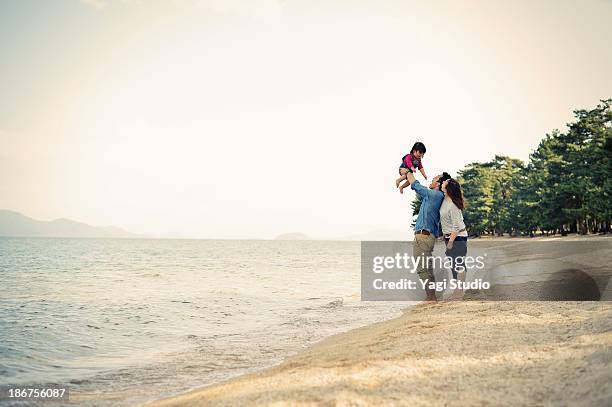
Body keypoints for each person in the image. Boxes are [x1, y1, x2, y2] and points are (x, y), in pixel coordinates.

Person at [404, 170, 451, 302]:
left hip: (424, 236)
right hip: (425, 236)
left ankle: (431, 297)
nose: (431, 181)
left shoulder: (435, 195)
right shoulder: (434, 196)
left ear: (438, 184)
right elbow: (417, 188)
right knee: (425, 267)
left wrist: (408, 171)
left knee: (423, 268)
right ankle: (431, 296)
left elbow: (416, 185)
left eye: (434, 179)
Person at [440, 178, 468, 300]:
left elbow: (456, 226)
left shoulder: (453, 205)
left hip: (458, 237)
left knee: (459, 264)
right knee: (453, 265)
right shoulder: (445, 199)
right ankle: (457, 291)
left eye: (445, 182)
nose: (443, 182)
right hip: (450, 237)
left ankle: (459, 292)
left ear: (448, 188)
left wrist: (450, 242)